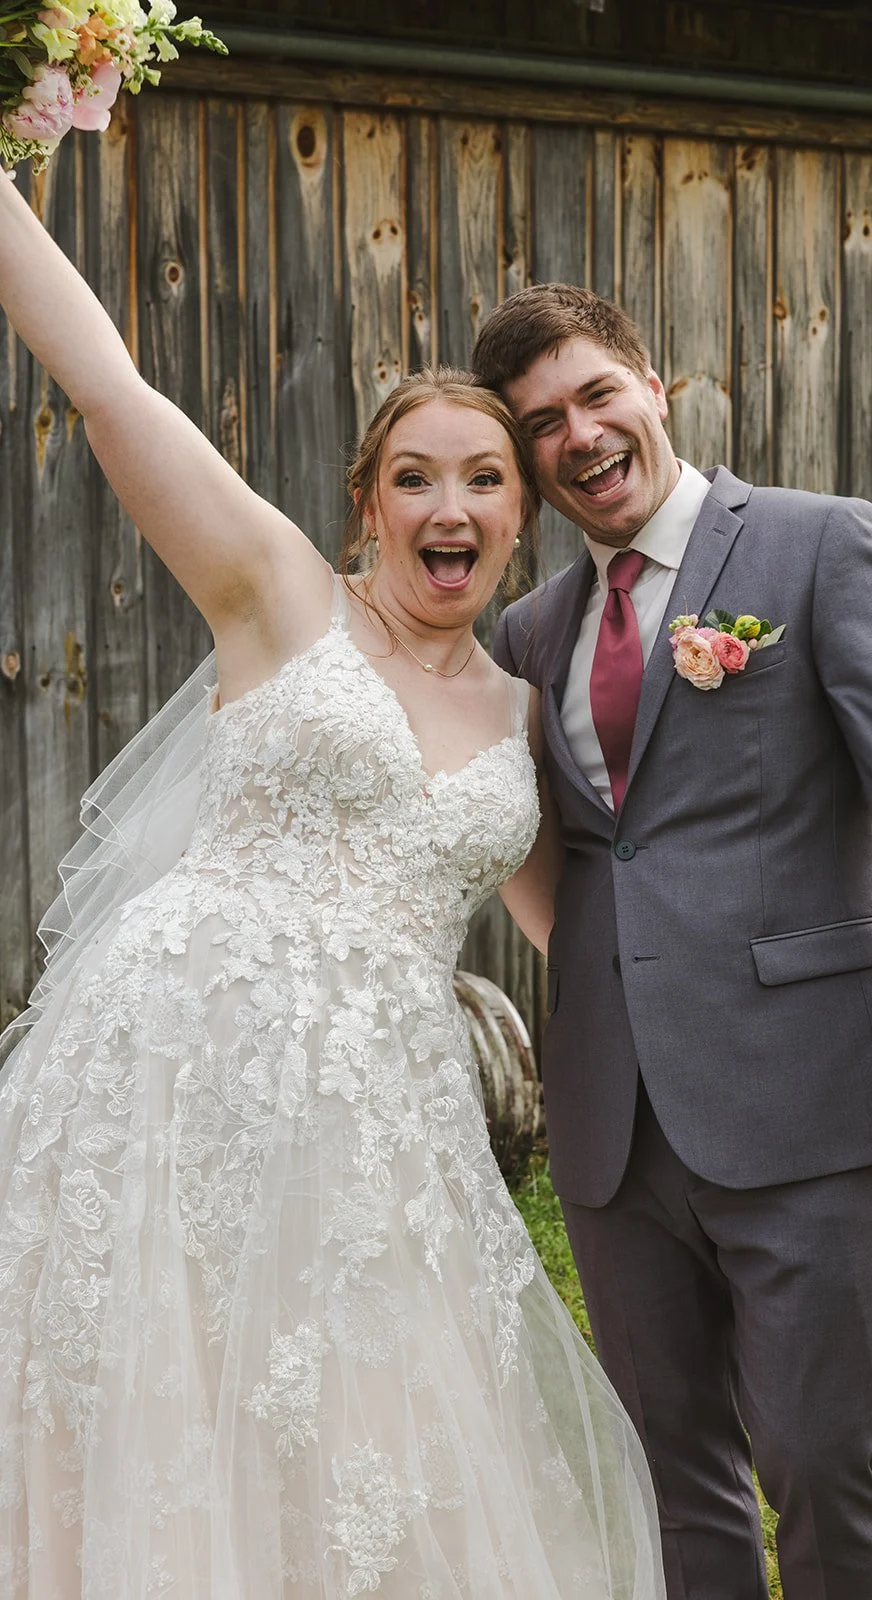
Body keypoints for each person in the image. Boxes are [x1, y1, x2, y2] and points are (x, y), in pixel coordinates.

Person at [0, 181, 667, 1597]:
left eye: (486, 479)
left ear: (522, 517)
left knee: (358, 1420)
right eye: (416, 476)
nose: (451, 505)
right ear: (367, 501)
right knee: (153, 1394)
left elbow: (577, 930)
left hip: (384, 1115)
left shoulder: (524, 718)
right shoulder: (276, 595)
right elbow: (106, 386)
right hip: (177, 1068)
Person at [473, 282, 872, 1600]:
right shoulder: (530, 634)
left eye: (595, 395)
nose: (580, 435)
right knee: (668, 1470)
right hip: (615, 1128)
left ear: (652, 385)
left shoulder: (815, 546)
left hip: (806, 1090)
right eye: (541, 422)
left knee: (818, 1456)